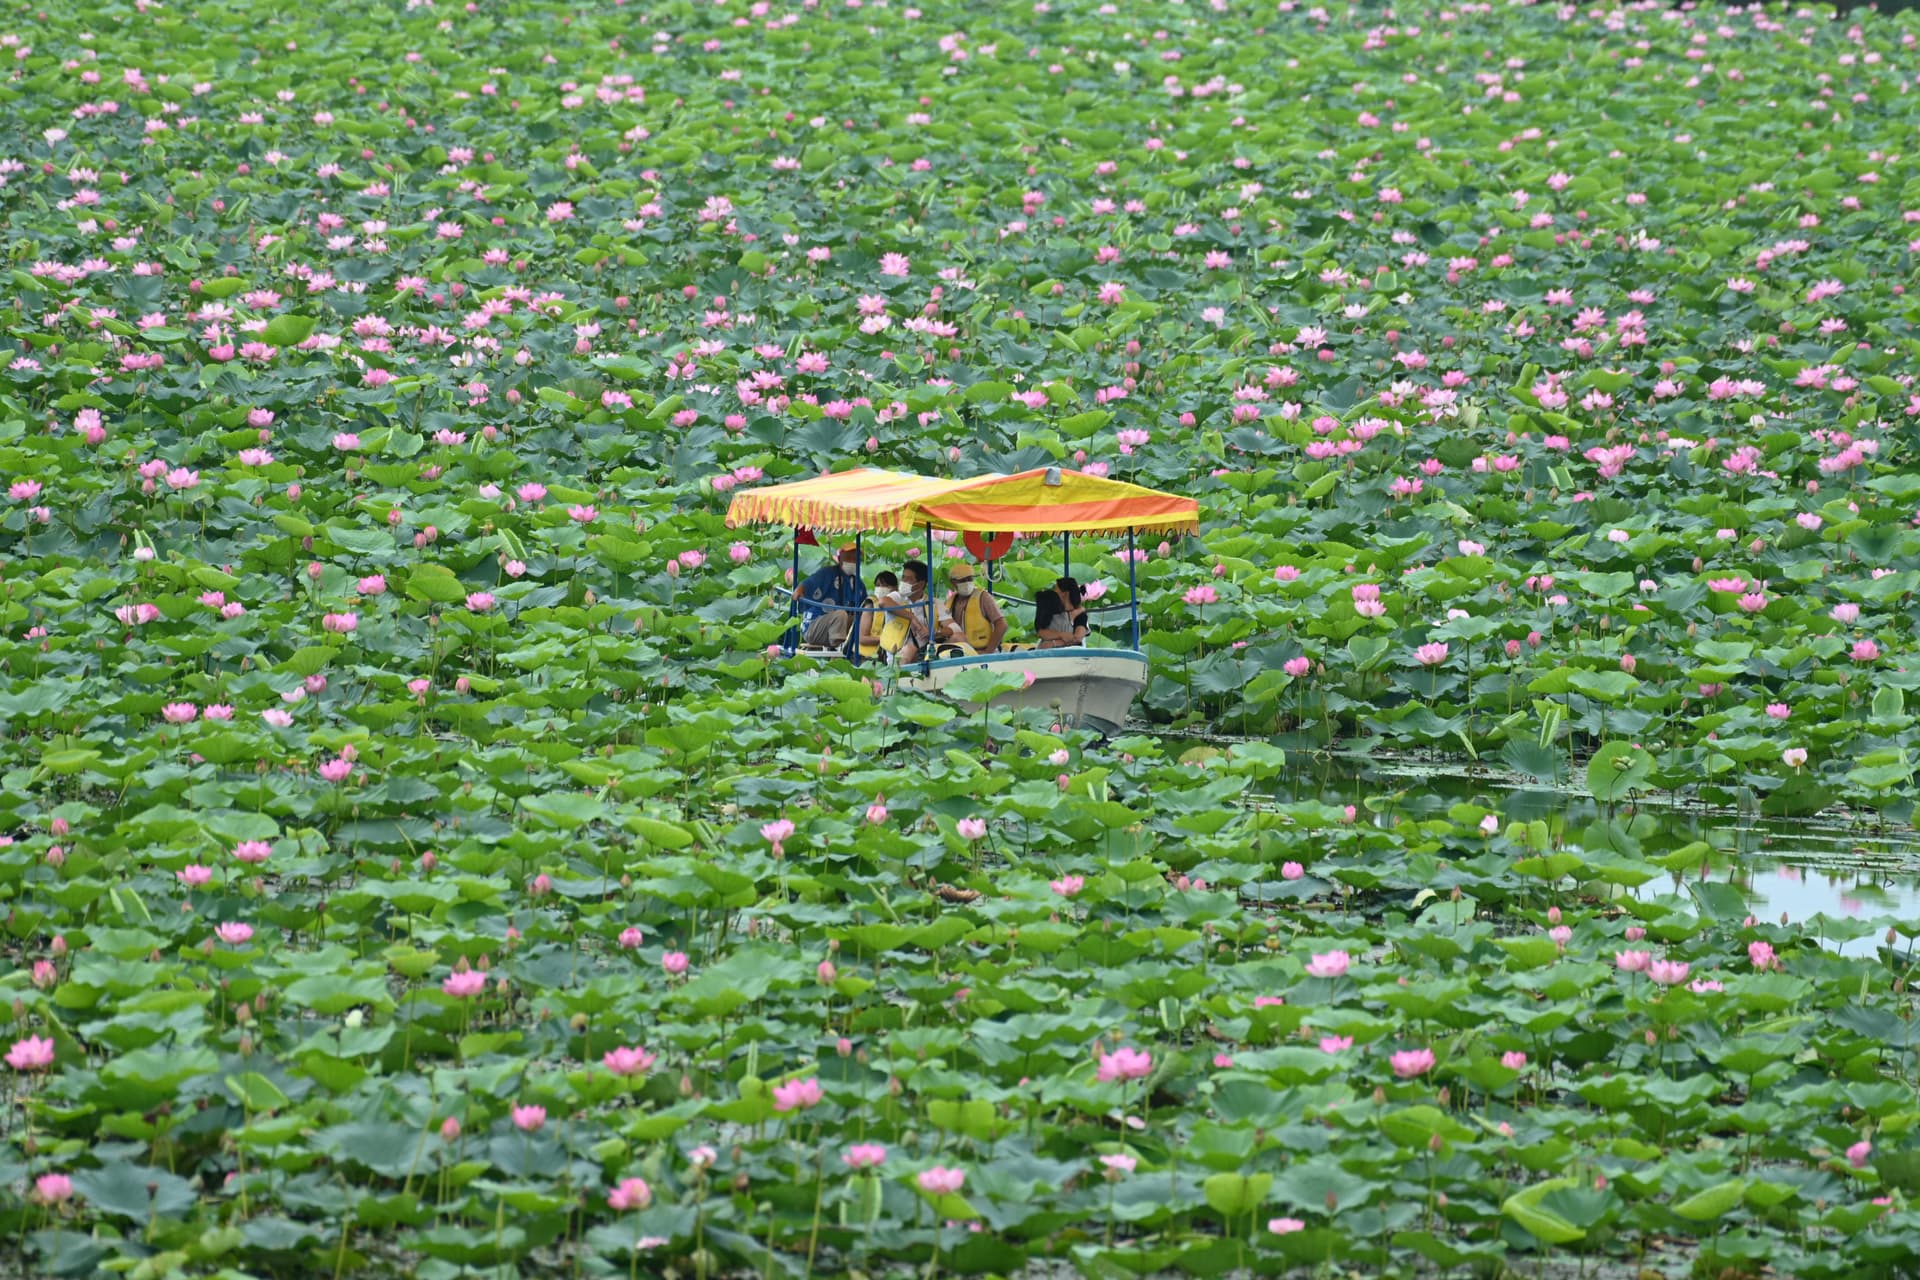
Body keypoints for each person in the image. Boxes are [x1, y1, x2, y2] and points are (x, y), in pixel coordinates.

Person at [793, 542, 865, 649]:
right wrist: (799, 591)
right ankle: (839, 648)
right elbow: (807, 584)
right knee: (841, 614)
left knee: (861, 617)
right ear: (840, 559)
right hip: (814, 627)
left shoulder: (857, 583)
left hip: (841, 628)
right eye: (849, 557)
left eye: (855, 558)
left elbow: (864, 605)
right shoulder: (826, 573)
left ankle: (852, 650)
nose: (853, 561)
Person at [941, 563, 1007, 654]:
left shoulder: (984, 597)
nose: (967, 582)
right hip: (961, 651)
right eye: (963, 580)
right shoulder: (949, 602)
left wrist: (988, 651)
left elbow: (1002, 624)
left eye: (970, 579)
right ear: (953, 582)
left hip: (984, 650)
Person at [893, 561, 942, 663]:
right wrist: (911, 617)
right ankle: (897, 677)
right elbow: (883, 602)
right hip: (900, 650)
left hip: (927, 650)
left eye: (909, 579)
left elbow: (952, 629)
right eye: (903, 577)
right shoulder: (897, 597)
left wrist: (933, 633)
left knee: (958, 638)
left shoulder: (934, 602)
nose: (904, 582)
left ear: (921, 584)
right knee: (908, 650)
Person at [859, 572, 914, 660]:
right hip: (868, 657)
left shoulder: (901, 605)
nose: (880, 588)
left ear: (895, 587)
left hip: (888, 653)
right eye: (878, 585)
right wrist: (887, 639)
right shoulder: (871, 606)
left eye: (884, 585)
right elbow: (862, 638)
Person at [1034, 576, 1088, 648]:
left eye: (1056, 590)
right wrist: (1061, 635)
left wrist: (1054, 643)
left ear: (1065, 594)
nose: (1053, 592)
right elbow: (1041, 632)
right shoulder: (1049, 608)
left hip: (1071, 654)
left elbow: (1077, 638)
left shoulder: (1080, 615)